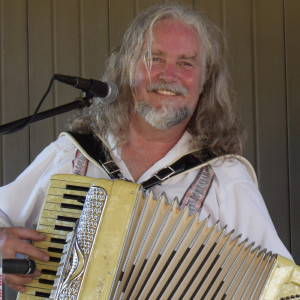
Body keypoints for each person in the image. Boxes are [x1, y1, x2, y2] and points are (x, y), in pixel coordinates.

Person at [0, 2, 292, 294]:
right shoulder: (74, 153)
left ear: (205, 82)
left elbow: (283, 286)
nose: (169, 75)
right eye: (155, 59)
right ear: (127, 68)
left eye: (186, 64)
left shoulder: (225, 180)